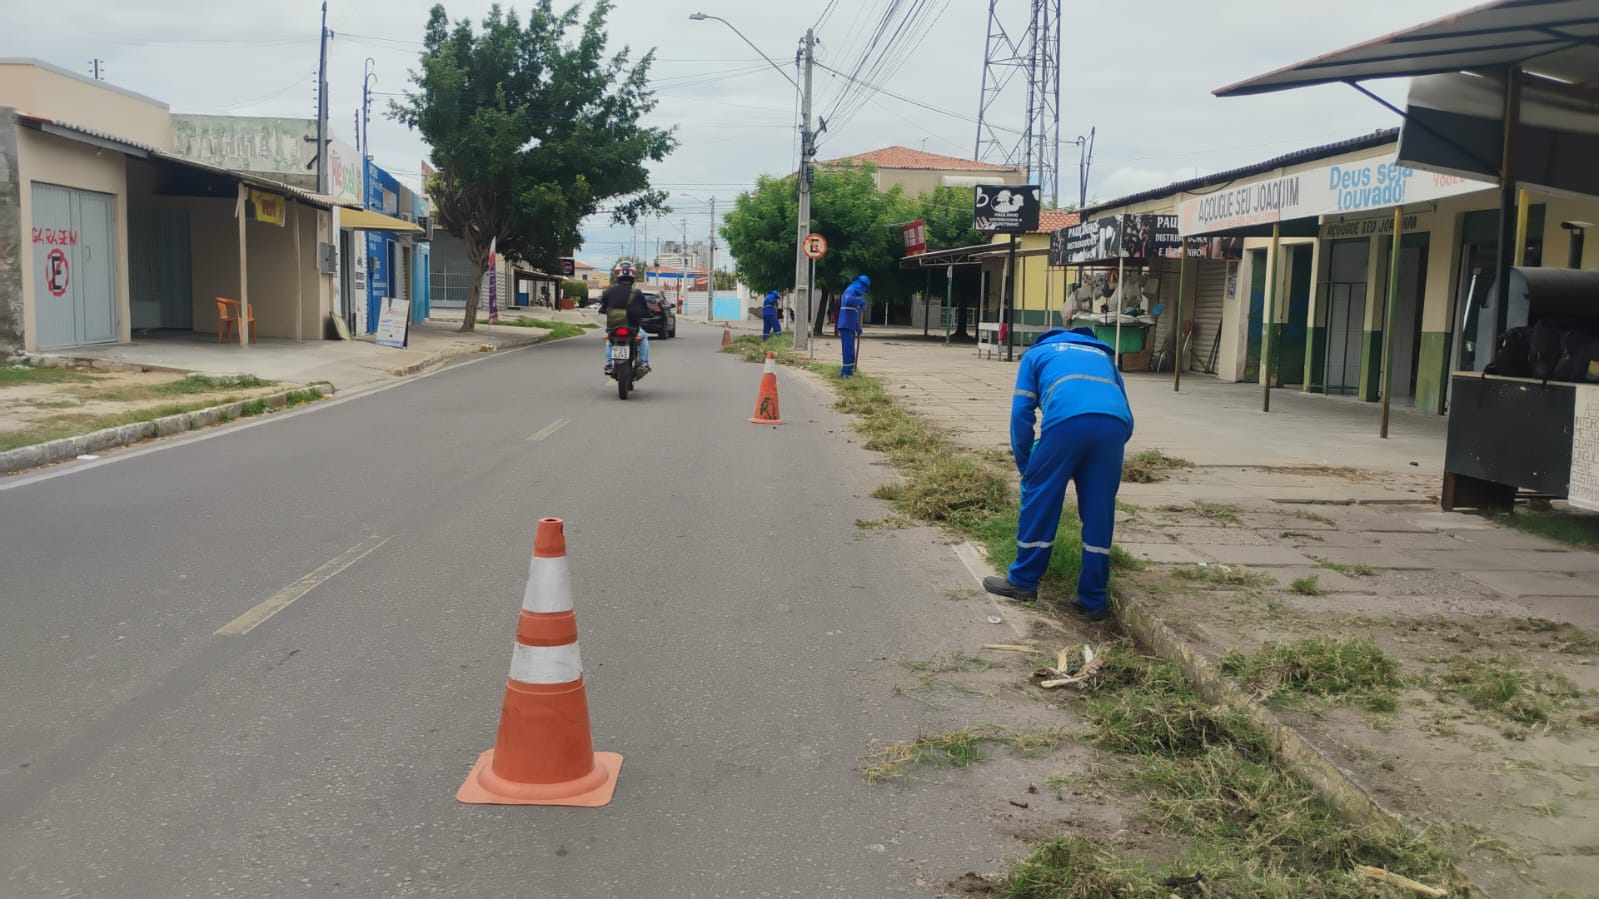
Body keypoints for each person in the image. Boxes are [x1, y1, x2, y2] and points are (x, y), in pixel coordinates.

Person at [982, 326, 1134, 621]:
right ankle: (1093, 598)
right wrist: (1099, 455)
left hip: (1065, 422)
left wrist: (1027, 466)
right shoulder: (1104, 356)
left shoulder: (1036, 354)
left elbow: (1021, 414)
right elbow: (1124, 411)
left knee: (1042, 499)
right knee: (1099, 511)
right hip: (1114, 428)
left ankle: (1023, 581)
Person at [599, 264, 650, 375]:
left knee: (610, 340)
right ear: (632, 279)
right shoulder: (637, 293)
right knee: (644, 337)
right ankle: (644, 363)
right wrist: (645, 314)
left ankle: (609, 364)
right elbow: (646, 310)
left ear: (618, 278)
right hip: (633, 328)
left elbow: (602, 308)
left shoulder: (609, 291)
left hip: (614, 327)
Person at [838, 275, 868, 377]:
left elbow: (853, 314)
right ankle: (845, 372)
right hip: (846, 325)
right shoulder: (850, 291)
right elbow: (848, 300)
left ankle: (849, 370)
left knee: (850, 349)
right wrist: (861, 302)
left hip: (849, 326)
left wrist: (857, 327)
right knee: (847, 349)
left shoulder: (854, 294)